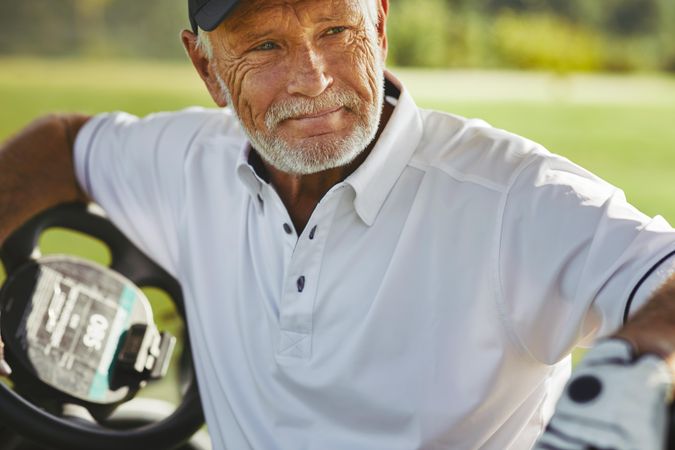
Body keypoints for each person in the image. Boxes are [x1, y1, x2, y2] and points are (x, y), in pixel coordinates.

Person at [1, 0, 675, 448]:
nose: (312, 79)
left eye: (334, 31)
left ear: (379, 25)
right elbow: (60, 142)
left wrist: (635, 363)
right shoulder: (187, 160)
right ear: (205, 65)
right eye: (264, 45)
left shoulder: (510, 195)